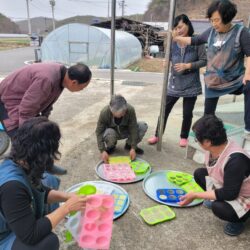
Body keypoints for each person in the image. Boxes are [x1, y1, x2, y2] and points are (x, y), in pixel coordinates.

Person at [0, 117, 87, 249]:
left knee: (49, 179)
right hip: (4, 235)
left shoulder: (20, 160)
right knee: (48, 242)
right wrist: (66, 208)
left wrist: (67, 196)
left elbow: (39, 190)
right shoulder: (12, 187)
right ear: (43, 154)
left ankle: (41, 221)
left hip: (16, 222)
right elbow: (30, 235)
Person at [0, 62, 92, 175]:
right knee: (22, 142)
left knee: (45, 134)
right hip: (8, 101)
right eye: (82, 88)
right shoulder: (47, 79)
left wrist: (44, 122)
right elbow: (26, 109)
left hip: (24, 103)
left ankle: (47, 165)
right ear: (74, 82)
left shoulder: (63, 77)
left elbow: (48, 101)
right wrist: (26, 134)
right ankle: (20, 175)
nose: (82, 90)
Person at [173, 0, 250, 133]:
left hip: (235, 80)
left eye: (217, 20)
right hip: (213, 81)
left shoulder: (241, 32)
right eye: (211, 20)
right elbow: (195, 40)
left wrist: (248, 75)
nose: (214, 24)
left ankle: (248, 127)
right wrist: (177, 38)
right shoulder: (211, 32)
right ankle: (210, 137)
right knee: (208, 117)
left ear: (227, 17)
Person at [179, 115, 250, 236]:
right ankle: (216, 198)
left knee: (218, 208)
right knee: (199, 173)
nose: (196, 141)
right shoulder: (214, 148)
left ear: (207, 142)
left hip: (243, 195)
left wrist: (196, 195)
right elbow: (214, 171)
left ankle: (239, 220)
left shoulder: (235, 160)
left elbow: (230, 193)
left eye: (197, 139)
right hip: (228, 184)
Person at [148, 14, 207, 147]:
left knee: (187, 113)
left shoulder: (197, 41)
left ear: (188, 24)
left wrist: (188, 66)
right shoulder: (173, 42)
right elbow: (168, 56)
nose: (179, 30)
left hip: (191, 83)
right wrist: (166, 60)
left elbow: (204, 60)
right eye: (176, 28)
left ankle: (184, 136)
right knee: (165, 109)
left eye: (180, 27)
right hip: (174, 82)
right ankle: (157, 135)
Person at [96, 94, 148, 163]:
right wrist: (102, 150)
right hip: (112, 133)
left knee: (142, 126)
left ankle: (129, 145)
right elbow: (99, 132)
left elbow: (133, 128)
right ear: (112, 111)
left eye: (124, 111)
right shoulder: (104, 112)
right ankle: (111, 146)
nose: (123, 114)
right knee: (109, 132)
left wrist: (133, 147)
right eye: (121, 113)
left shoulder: (130, 109)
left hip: (126, 131)